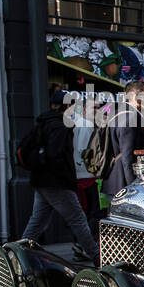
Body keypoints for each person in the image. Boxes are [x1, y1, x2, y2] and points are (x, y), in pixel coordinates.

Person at [20, 89, 98, 261]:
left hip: (41, 180)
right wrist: (66, 178)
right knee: (78, 218)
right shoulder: (62, 126)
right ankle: (97, 256)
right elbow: (56, 156)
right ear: (69, 106)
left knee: (38, 220)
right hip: (57, 182)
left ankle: (19, 252)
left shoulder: (43, 122)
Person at [105, 81, 144, 197]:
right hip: (124, 185)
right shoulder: (131, 118)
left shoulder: (118, 114)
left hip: (117, 182)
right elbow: (128, 157)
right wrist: (133, 187)